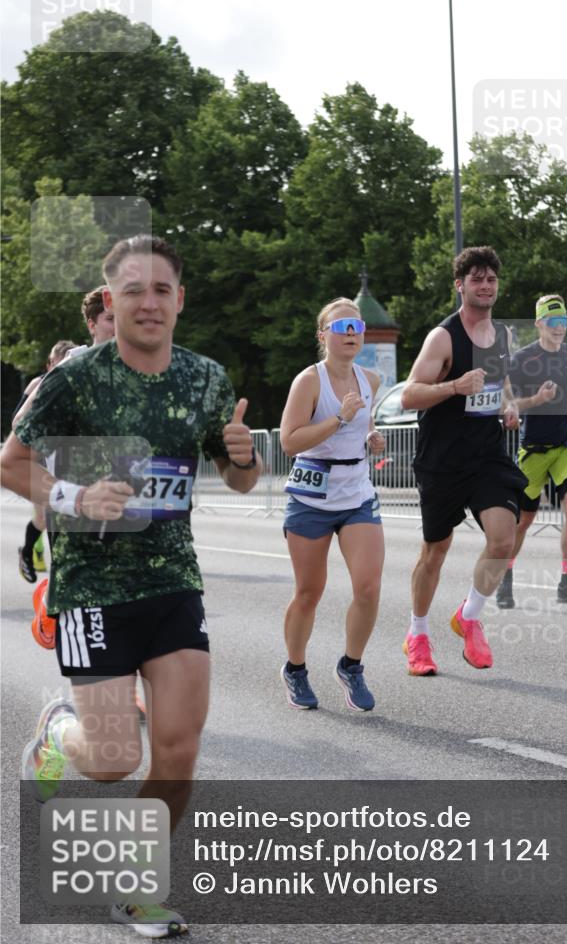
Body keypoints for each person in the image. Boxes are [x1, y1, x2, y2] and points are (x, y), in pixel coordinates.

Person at [1, 234, 262, 938]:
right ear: (110, 300)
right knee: (114, 760)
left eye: (161, 290)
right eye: (133, 290)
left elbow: (237, 477)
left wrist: (244, 460)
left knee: (178, 747)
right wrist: (74, 498)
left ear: (180, 298)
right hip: (91, 586)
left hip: (173, 580)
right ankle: (60, 733)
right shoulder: (76, 378)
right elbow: (12, 462)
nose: (148, 302)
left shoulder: (205, 378)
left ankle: (136, 889)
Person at [401, 246, 527, 676]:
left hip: (487, 454)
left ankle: (469, 616)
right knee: (435, 550)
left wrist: (509, 407)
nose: (485, 285)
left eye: (491, 279)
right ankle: (417, 634)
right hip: (442, 459)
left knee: (503, 540)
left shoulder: (505, 336)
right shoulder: (443, 337)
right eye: (476, 279)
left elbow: (501, 385)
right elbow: (409, 394)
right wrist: (454, 386)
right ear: (460, 285)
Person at [279, 298, 386, 712]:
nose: (350, 334)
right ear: (323, 336)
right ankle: (295, 668)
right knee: (309, 592)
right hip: (310, 494)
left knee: (369, 587)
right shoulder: (309, 381)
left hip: (356, 491)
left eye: (356, 327)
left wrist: (370, 434)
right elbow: (289, 441)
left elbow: (364, 419)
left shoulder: (370, 380)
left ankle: (351, 666)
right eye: (341, 327)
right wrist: (339, 419)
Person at [496, 294, 567, 607]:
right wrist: (530, 403)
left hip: (565, 442)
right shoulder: (523, 359)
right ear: (539, 323)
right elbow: (506, 399)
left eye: (564, 321)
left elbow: (565, 390)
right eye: (553, 322)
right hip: (534, 447)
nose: (560, 328)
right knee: (524, 519)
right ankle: (505, 577)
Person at [14, 340, 77, 583]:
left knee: (63, 516)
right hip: (37, 461)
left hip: (65, 461)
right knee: (46, 516)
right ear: (49, 364)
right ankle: (29, 553)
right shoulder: (38, 384)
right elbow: (18, 421)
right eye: (56, 363)